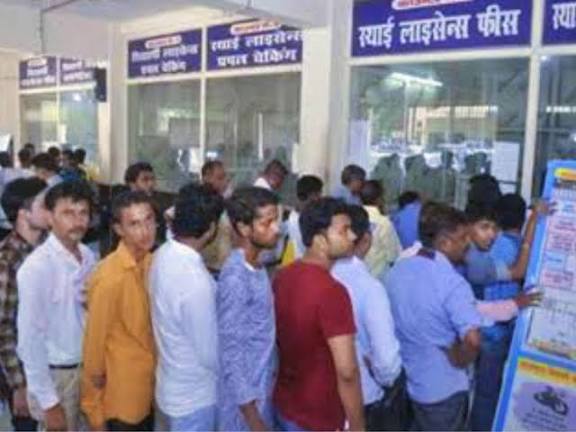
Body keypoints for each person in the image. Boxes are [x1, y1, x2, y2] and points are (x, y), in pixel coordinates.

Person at [386, 202, 483, 431]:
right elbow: (473, 340)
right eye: (462, 238)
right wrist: (460, 359)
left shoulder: (397, 271)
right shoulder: (452, 283)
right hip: (445, 390)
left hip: (411, 384)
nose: (467, 244)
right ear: (444, 243)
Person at [273, 197, 364, 431]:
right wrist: (358, 426)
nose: (353, 236)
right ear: (320, 240)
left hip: (286, 403)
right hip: (319, 414)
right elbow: (347, 371)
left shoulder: (283, 276)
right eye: (344, 230)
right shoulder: (332, 291)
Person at [17, 181, 96, 431]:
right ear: (50, 217)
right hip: (56, 377)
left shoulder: (88, 256)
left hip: (87, 369)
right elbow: (29, 341)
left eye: (83, 213)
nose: (78, 221)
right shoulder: (37, 268)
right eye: (68, 213)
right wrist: (49, 404)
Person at [150, 184, 224, 431]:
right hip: (194, 402)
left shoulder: (162, 254)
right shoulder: (195, 281)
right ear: (211, 228)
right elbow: (209, 354)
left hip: (168, 388)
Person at [81, 191, 157, 431]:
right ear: (119, 229)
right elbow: (93, 349)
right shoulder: (109, 277)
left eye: (149, 220)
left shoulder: (153, 263)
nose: (145, 230)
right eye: (134, 224)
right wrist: (94, 412)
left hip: (151, 390)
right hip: (123, 400)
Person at [331, 205, 402, 431]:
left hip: (320, 399)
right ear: (366, 240)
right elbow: (388, 363)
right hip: (363, 398)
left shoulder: (318, 277)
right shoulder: (370, 289)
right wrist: (384, 376)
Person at [217, 187, 280, 431]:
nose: (276, 229)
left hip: (261, 389)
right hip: (244, 408)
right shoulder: (236, 278)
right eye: (267, 223)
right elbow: (231, 351)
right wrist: (254, 421)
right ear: (244, 228)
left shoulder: (256, 265)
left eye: (276, 220)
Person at [0, 178, 48, 431]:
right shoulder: (8, 259)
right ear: (23, 213)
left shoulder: (50, 247)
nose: (51, 208)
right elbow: (3, 327)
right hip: (24, 372)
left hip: (53, 364)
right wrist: (18, 385)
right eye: (44, 204)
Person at [360, 180, 401, 281]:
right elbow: (393, 256)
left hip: (356, 276)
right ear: (379, 200)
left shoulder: (353, 218)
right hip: (379, 278)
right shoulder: (383, 222)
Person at [282, 175, 323, 265]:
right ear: (313, 195)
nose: (320, 197)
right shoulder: (310, 217)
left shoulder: (290, 216)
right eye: (319, 193)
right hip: (300, 262)